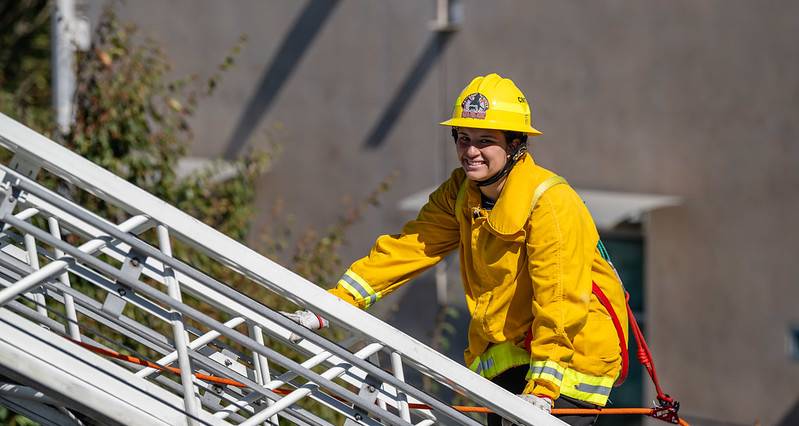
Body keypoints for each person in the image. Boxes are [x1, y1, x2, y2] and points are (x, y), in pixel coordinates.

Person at [287, 73, 629, 426]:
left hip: (566, 368)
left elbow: (558, 299)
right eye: (463, 139)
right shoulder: (461, 192)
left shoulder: (550, 202)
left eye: (485, 141)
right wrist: (336, 302)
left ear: (515, 144)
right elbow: (413, 245)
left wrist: (542, 388)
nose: (470, 151)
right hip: (508, 364)